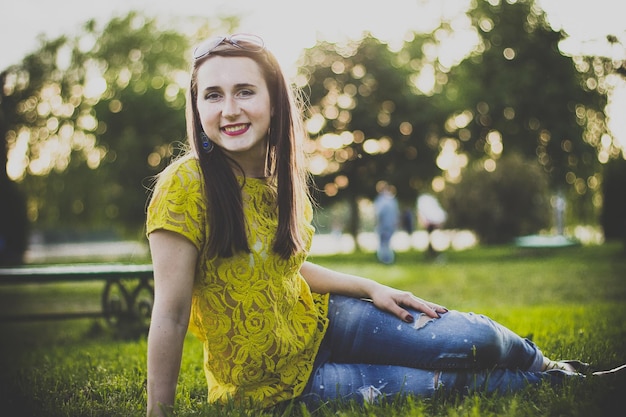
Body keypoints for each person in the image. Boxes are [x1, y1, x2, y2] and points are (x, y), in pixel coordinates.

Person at [145, 33, 617, 417]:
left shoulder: (274, 178)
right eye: (213, 94)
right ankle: (564, 383)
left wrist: (369, 288)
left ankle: (556, 365)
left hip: (320, 321)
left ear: (274, 102)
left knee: (474, 338)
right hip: (273, 387)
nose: (229, 109)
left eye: (245, 90)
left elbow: (281, 269)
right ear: (197, 106)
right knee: (445, 384)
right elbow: (169, 313)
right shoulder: (187, 185)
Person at [373, 181, 399, 264]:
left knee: (383, 243)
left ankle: (385, 260)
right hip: (390, 225)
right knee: (387, 243)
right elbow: (396, 214)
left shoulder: (380, 200)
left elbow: (378, 214)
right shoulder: (392, 200)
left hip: (383, 225)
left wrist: (376, 223)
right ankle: (388, 260)